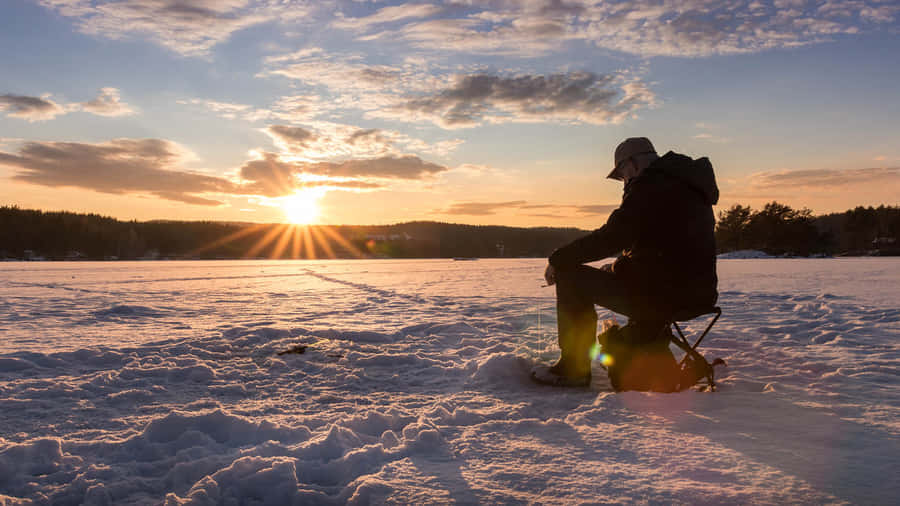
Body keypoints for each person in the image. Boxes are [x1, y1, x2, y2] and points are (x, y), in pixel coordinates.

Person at [535, 137, 719, 388]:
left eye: (621, 174)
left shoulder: (651, 186)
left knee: (571, 277)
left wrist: (558, 258)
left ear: (631, 164)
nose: (623, 181)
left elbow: (612, 237)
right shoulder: (688, 186)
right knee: (614, 275)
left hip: (660, 296)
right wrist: (614, 268)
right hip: (695, 295)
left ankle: (573, 369)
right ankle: (642, 354)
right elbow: (658, 250)